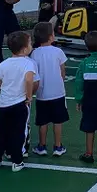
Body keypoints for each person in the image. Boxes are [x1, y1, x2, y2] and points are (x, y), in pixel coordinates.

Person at [0, 31, 37, 172]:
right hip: (20, 104)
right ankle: (17, 161)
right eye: (30, 43)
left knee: (1, 131)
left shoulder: (4, 64)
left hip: (4, 104)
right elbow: (29, 80)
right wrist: (29, 96)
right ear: (25, 48)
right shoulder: (28, 64)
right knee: (18, 133)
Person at [30, 22, 69, 157]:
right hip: (58, 92)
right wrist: (60, 82)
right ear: (51, 36)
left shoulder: (34, 53)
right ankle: (58, 146)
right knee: (58, 121)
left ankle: (42, 146)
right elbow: (62, 71)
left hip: (42, 94)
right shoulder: (58, 51)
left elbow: (34, 73)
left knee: (43, 121)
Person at [74, 30, 97, 165]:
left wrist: (79, 99)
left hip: (88, 101)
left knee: (89, 127)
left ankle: (88, 153)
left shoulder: (84, 63)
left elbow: (79, 82)